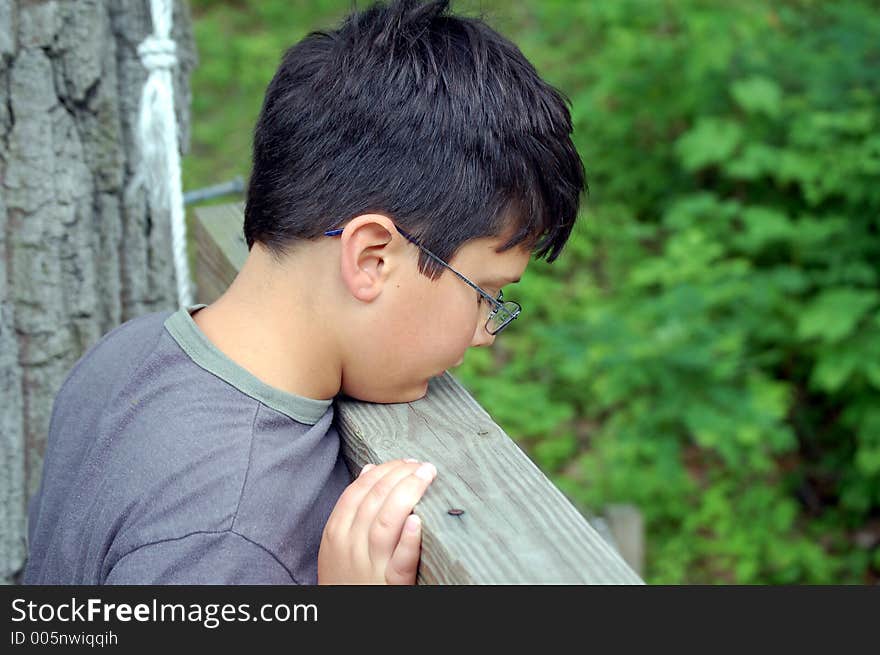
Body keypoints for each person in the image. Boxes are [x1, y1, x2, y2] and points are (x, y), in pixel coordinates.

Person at [23, 0, 586, 585]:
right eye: (485, 294)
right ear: (372, 257)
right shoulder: (228, 539)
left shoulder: (125, 354)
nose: (485, 334)